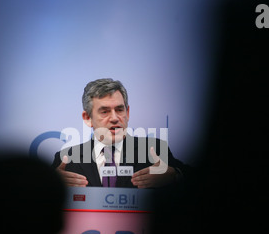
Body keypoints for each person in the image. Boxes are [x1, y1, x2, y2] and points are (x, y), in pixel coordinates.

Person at [52, 78, 189, 188]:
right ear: (88, 118)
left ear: (127, 113)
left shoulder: (155, 149)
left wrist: (176, 175)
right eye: (104, 111)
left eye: (119, 110)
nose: (114, 118)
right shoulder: (67, 158)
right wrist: (52, 184)